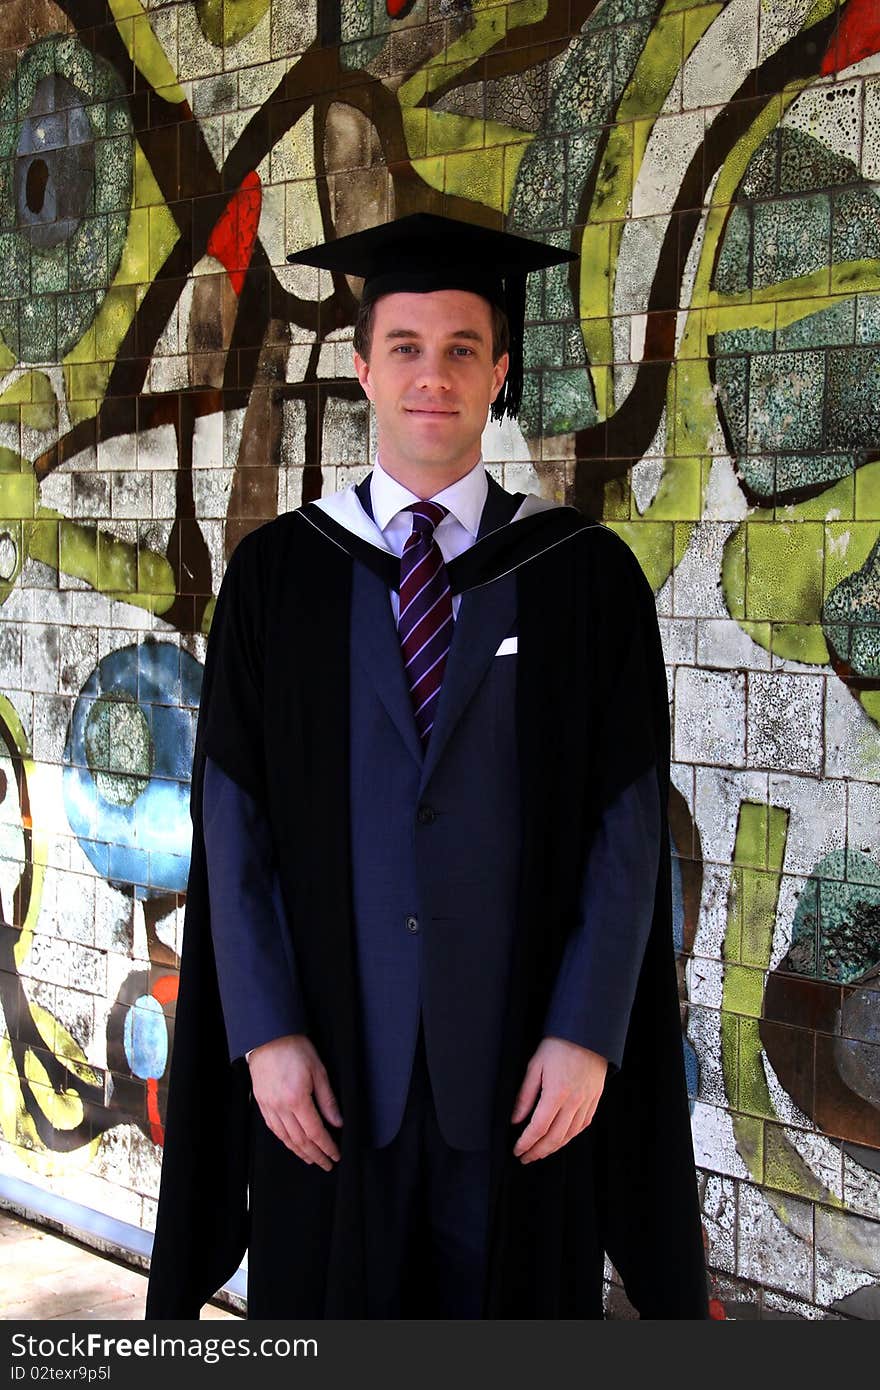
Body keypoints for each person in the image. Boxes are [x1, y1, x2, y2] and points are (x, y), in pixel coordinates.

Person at [146, 213, 708, 1319]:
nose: (432, 375)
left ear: (499, 374)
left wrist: (588, 1031)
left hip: (520, 1074)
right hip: (330, 1070)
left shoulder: (581, 580)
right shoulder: (277, 581)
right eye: (404, 345)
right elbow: (233, 821)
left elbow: (627, 824)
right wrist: (263, 1032)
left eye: (462, 349)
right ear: (361, 368)